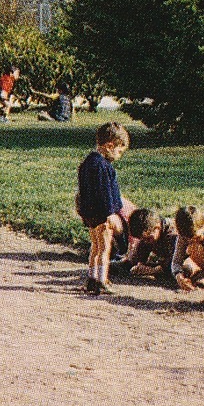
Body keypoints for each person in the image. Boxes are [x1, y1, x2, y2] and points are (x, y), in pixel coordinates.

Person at [76, 121, 130, 295]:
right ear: (109, 146)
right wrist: (110, 214)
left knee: (95, 247)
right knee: (104, 248)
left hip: (90, 214)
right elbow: (105, 192)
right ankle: (102, 279)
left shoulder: (87, 162)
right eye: (119, 151)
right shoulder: (103, 167)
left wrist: (83, 212)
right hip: (102, 215)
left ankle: (91, 279)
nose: (119, 156)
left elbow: (82, 192)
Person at [116, 208, 178, 281]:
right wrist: (140, 264)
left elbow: (176, 260)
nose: (146, 242)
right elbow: (141, 249)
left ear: (157, 227)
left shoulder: (172, 235)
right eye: (142, 239)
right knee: (126, 264)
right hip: (163, 258)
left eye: (148, 238)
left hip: (181, 259)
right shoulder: (150, 235)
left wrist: (153, 270)